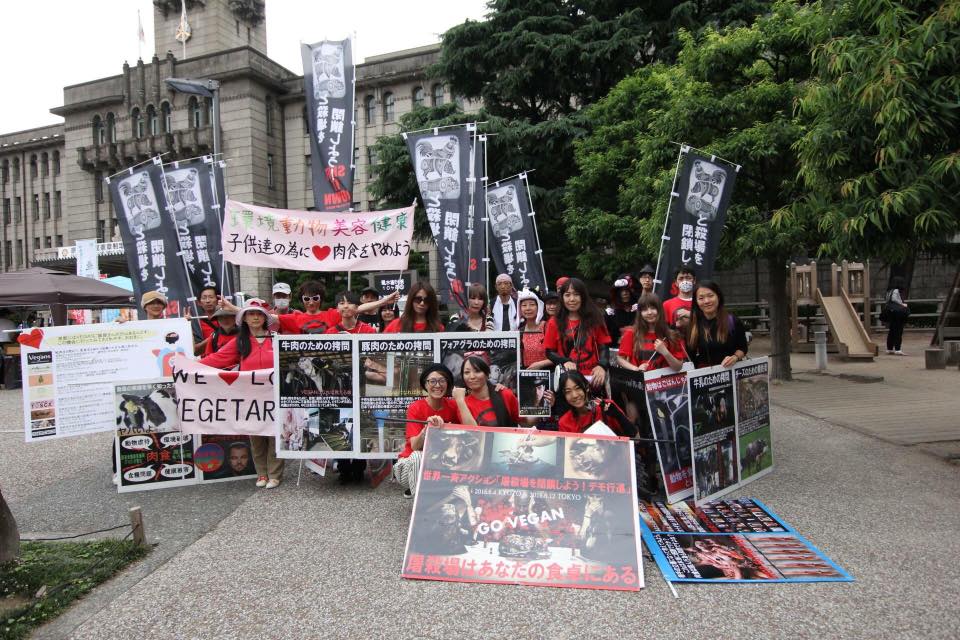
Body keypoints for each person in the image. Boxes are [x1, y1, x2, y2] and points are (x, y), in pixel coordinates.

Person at [199, 299, 283, 488]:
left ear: (265, 318)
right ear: (244, 318)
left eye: (259, 314)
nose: (255, 317)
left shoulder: (276, 338)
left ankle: (275, 474)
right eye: (251, 314)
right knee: (256, 435)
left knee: (274, 434)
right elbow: (217, 359)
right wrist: (188, 364)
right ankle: (261, 473)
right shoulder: (240, 341)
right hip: (250, 396)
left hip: (274, 394)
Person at [393, 365, 472, 498]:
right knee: (418, 456)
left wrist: (460, 401)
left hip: (440, 464)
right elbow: (414, 446)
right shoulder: (415, 408)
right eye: (432, 381)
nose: (437, 385)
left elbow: (472, 431)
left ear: (448, 384)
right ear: (425, 384)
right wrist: (426, 429)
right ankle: (421, 507)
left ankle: (428, 494)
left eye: (442, 380)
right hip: (409, 466)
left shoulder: (453, 405)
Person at [544, 278, 612, 389]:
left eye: (576, 294)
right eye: (567, 295)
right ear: (562, 298)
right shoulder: (554, 322)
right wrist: (564, 361)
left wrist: (602, 366)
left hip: (594, 379)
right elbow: (549, 351)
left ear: (583, 297)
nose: (572, 299)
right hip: (568, 380)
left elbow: (604, 347)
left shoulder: (596, 319)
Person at [617, 293, 687, 372]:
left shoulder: (671, 335)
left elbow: (678, 367)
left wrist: (665, 352)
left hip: (664, 382)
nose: (649, 312)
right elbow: (620, 359)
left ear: (660, 310)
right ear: (640, 313)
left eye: (653, 308)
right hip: (639, 381)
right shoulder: (631, 333)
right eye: (645, 309)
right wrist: (636, 369)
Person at [686, 280, 748, 368]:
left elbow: (743, 348)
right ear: (696, 302)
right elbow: (690, 355)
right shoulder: (693, 325)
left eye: (710, 296)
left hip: (730, 372)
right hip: (704, 376)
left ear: (718, 297)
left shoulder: (732, 321)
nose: (706, 301)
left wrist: (734, 357)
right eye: (701, 298)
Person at [556, 370, 629, 435]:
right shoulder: (564, 422)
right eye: (568, 392)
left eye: (578, 388)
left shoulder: (607, 406)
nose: (574, 395)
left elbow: (635, 437)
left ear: (587, 387)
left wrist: (618, 416)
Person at [456, 356, 520, 427]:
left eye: (477, 371)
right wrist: (460, 401)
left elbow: (527, 421)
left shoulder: (505, 394)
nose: (472, 376)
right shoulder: (463, 404)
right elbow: (472, 433)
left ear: (487, 374)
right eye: (467, 372)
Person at [518, 288, 551, 370]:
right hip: (527, 375)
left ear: (539, 307)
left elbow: (559, 355)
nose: (528, 308)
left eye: (532, 304)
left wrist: (541, 364)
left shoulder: (547, 327)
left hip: (548, 373)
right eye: (524, 305)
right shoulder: (520, 331)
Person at [605, 274, 638, 347]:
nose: (625, 293)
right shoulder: (611, 313)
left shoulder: (638, 310)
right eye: (621, 291)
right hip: (616, 348)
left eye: (627, 290)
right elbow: (605, 336)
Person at [190, 286, 221, 355]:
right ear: (199, 302)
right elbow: (195, 350)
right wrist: (214, 335)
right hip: (206, 361)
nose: (208, 301)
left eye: (211, 297)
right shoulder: (197, 323)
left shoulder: (227, 318)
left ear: (218, 300)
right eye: (204, 298)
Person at [884, 276, 910, 355]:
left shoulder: (889, 291)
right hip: (897, 313)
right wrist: (902, 304)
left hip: (890, 312)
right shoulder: (895, 291)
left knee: (892, 330)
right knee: (898, 330)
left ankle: (890, 348)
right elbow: (895, 299)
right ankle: (898, 349)